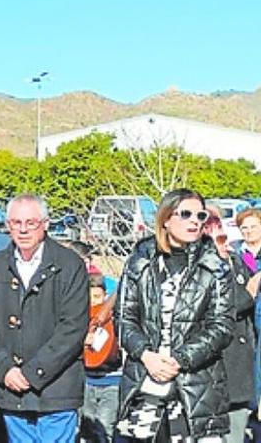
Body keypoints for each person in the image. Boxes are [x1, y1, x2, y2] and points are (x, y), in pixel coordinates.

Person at [115, 188, 234, 443]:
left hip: (197, 388)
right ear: (166, 218)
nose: (194, 221)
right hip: (144, 383)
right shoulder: (140, 261)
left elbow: (222, 326)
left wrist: (178, 360)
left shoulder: (216, 266)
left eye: (200, 215)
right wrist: (147, 355)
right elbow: (124, 319)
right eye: (186, 214)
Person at [0, 194, 88, 443]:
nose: (23, 230)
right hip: (12, 388)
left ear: (46, 224)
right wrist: (5, 369)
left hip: (56, 389)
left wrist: (32, 373)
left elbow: (73, 328)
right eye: (16, 223)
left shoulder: (69, 265)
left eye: (31, 222)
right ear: (7, 225)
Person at [202, 211, 256, 443]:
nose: (226, 245)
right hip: (212, 372)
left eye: (226, 238)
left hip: (239, 370)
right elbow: (228, 306)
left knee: (237, 429)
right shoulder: (202, 270)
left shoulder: (235, 262)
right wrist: (250, 293)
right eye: (220, 240)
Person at [81, 272, 122, 443]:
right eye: (90, 298)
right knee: (87, 426)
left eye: (98, 297)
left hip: (112, 382)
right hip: (88, 381)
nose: (94, 302)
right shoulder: (80, 318)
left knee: (105, 426)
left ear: (105, 296)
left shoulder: (115, 317)